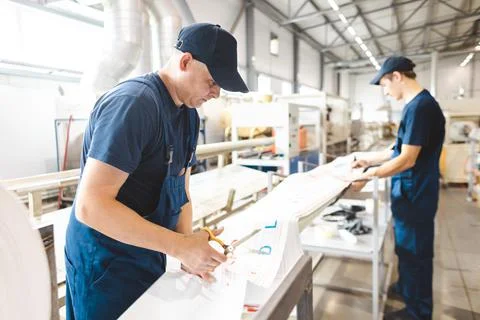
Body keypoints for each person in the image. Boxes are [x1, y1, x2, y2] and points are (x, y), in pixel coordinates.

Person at [65, 23, 249, 320]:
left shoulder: (188, 116)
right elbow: (90, 206)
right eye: (212, 81)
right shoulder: (134, 105)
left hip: (148, 252)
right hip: (106, 265)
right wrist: (179, 247)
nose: (216, 93)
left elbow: (182, 191)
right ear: (186, 61)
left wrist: (189, 250)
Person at [351, 56, 445, 320]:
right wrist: (367, 159)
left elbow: (407, 159)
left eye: (384, 84)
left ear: (397, 76)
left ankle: (418, 312)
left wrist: (369, 176)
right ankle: (406, 289)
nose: (385, 91)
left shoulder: (421, 107)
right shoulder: (415, 106)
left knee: (416, 253)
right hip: (409, 194)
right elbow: (397, 149)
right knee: (405, 248)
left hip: (416, 194)